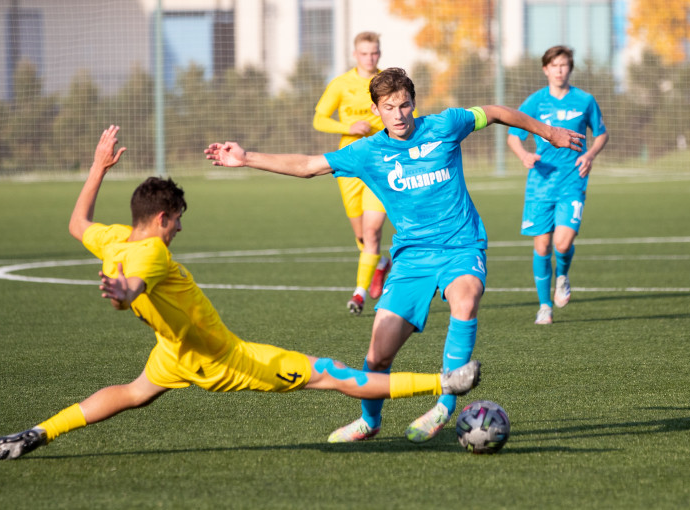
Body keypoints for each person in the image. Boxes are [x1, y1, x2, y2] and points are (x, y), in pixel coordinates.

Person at [0, 125, 482, 461]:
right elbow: (135, 285)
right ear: (161, 219)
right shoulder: (153, 252)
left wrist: (98, 167)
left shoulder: (115, 238)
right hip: (225, 361)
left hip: (172, 353)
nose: (178, 229)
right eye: (177, 221)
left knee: (134, 392)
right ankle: (442, 381)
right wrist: (121, 293)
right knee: (332, 374)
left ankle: (38, 433)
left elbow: (77, 224)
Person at [205, 68, 584, 443]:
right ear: (376, 111)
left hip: (461, 246)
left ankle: (445, 405)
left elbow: (499, 112)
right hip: (411, 259)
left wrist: (548, 133)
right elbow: (307, 166)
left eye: (405, 105)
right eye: (389, 107)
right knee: (378, 355)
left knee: (465, 299)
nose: (399, 115)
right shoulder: (367, 152)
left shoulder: (446, 124)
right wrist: (246, 157)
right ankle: (370, 421)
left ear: (414, 104)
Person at [507, 45, 609, 325]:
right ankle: (544, 306)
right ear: (545, 69)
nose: (559, 70)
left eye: (564, 65)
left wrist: (589, 154)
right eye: (554, 65)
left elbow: (601, 134)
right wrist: (524, 154)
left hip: (572, 181)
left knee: (562, 244)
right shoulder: (535, 102)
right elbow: (513, 135)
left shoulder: (585, 100)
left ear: (570, 68)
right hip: (540, 184)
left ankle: (562, 277)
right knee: (542, 247)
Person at [313, 31, 391, 315]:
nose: (371, 58)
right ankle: (381, 263)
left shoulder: (387, 83)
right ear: (355, 55)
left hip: (379, 163)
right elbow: (319, 118)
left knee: (372, 232)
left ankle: (358, 294)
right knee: (361, 236)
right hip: (348, 165)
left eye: (375, 52)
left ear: (379, 53)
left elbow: (406, 115)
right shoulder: (341, 84)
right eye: (365, 53)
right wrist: (348, 128)